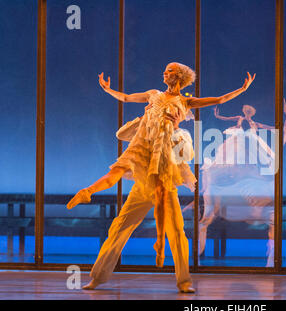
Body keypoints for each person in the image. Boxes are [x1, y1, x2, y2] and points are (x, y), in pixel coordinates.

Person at [66, 62, 255, 293]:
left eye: (170, 70)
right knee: (118, 228)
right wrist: (108, 89)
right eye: (165, 70)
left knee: (177, 233)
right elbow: (126, 98)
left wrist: (242, 90)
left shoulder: (185, 102)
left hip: (165, 176)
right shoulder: (152, 96)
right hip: (143, 181)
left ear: (180, 76)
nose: (165, 72)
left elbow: (219, 100)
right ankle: (97, 277)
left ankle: (184, 282)